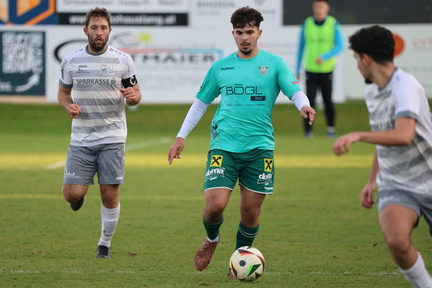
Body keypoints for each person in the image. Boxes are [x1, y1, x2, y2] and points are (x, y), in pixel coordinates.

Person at [168, 6, 316, 277]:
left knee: (250, 212)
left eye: (250, 32)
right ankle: (212, 239)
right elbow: (200, 103)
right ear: (233, 34)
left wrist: (303, 106)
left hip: (260, 148)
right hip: (224, 145)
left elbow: (294, 91)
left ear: (259, 32)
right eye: (239, 32)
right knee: (215, 206)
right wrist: (181, 136)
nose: (245, 37)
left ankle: (238, 260)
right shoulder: (221, 67)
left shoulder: (274, 64)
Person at [333, 25, 432, 288]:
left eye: (356, 60)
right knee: (397, 240)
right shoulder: (372, 90)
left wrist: (357, 135)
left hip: (429, 178)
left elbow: (402, 135)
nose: (356, 67)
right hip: (397, 183)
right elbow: (383, 137)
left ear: (366, 58)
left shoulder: (406, 86)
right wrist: (372, 179)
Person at [57, 7, 141, 258]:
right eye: (94, 27)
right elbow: (63, 92)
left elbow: (135, 95)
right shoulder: (71, 60)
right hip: (81, 136)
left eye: (103, 28)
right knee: (72, 193)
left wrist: (133, 97)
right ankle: (77, 196)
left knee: (109, 192)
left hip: (112, 136)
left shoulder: (123, 60)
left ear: (110, 31)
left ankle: (104, 243)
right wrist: (67, 105)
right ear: (86, 31)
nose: (99, 32)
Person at [296, 0, 344, 138]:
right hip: (310, 69)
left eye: (322, 6)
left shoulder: (333, 24)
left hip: (326, 69)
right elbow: (300, 48)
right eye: (316, 6)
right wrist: (298, 69)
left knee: (327, 100)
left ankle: (330, 128)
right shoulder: (307, 24)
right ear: (313, 8)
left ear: (327, 8)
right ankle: (308, 131)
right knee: (309, 101)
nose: (319, 9)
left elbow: (340, 46)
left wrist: (324, 56)